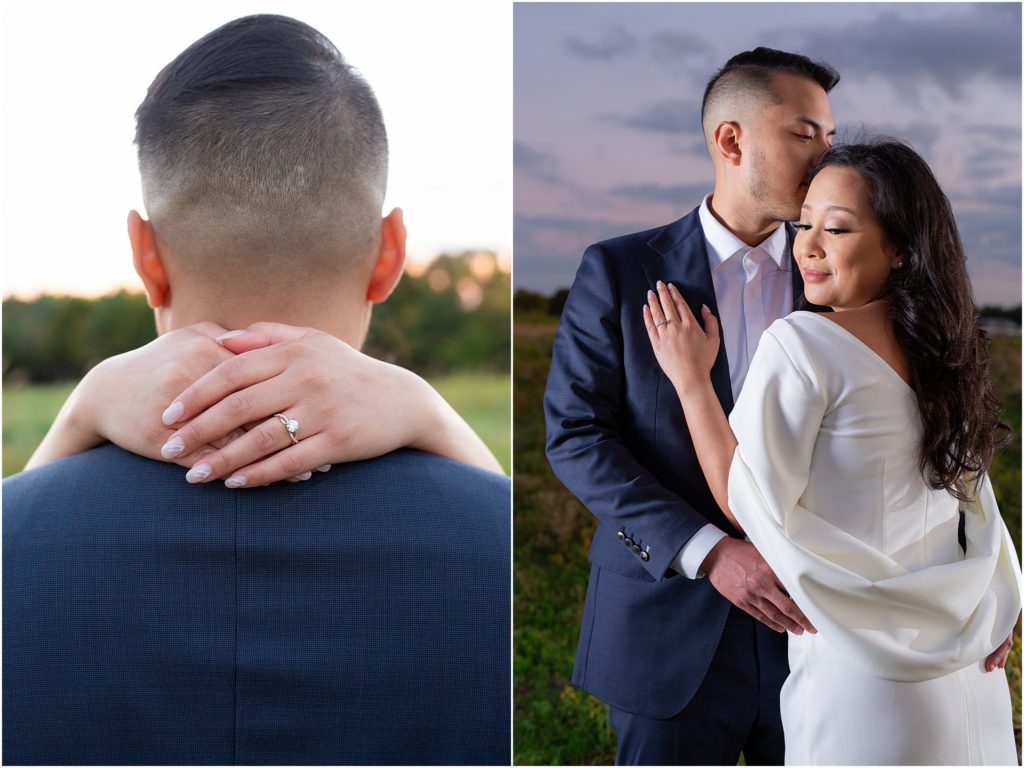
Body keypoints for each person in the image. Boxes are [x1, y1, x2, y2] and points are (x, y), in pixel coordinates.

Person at [3, 15, 509, 765]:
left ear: (146, 256)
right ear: (391, 253)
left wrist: (81, 409)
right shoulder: (499, 549)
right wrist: (433, 413)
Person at [644, 139, 1020, 765]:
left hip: (867, 674)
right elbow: (975, 505)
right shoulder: (949, 356)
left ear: (900, 248)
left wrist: (690, 381)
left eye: (837, 228)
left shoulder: (802, 343)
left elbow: (748, 505)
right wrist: (1000, 601)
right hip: (969, 667)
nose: (808, 246)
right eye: (804, 222)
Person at [544, 47, 836, 765]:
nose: (827, 157)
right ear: (730, 140)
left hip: (823, 632)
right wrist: (708, 554)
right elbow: (577, 436)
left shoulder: (838, 274)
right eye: (805, 134)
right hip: (666, 631)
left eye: (831, 139)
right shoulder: (618, 271)